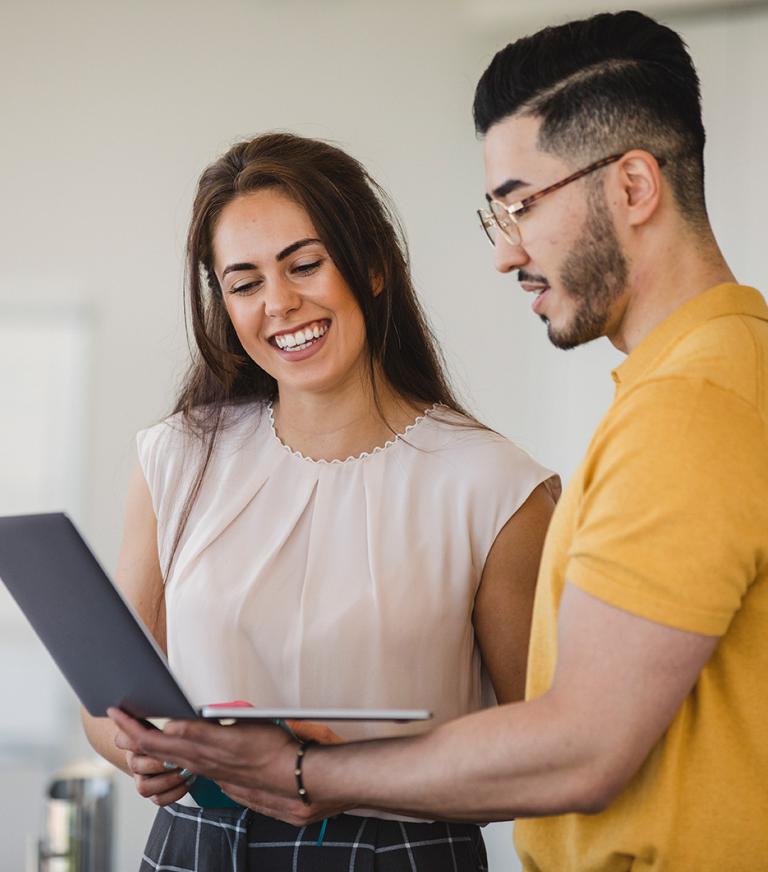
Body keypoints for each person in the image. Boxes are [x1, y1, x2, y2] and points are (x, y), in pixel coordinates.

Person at [110, 10, 768, 872]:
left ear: (635, 186)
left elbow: (578, 744)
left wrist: (312, 772)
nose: (506, 254)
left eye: (520, 205)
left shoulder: (689, 404)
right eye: (244, 282)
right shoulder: (687, 385)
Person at [85, 131, 557, 870]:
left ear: (371, 264)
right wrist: (141, 752)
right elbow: (103, 703)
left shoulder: (496, 487)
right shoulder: (175, 457)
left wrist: (334, 776)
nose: (280, 303)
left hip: (398, 850)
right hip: (195, 846)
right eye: (244, 284)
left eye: (305, 265)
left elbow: (546, 752)